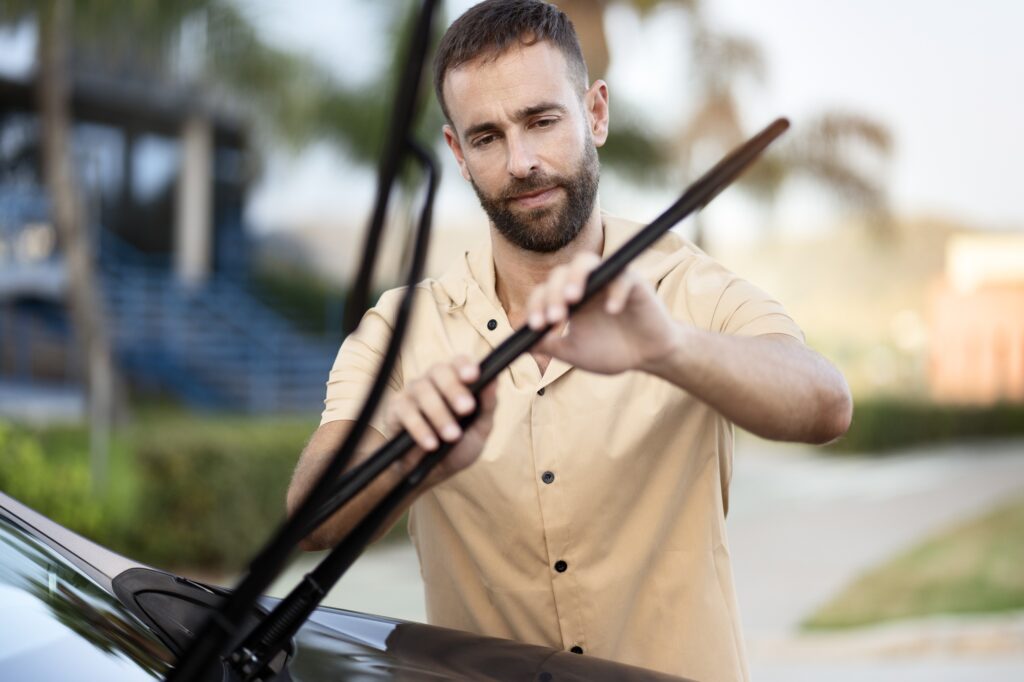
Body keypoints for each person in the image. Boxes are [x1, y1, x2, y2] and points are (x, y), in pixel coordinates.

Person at [287, 1, 852, 680]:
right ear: (457, 154)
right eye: (488, 137)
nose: (522, 161)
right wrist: (416, 464)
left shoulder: (686, 287)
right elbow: (311, 516)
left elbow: (826, 405)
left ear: (596, 114)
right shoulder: (401, 327)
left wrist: (669, 348)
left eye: (542, 120)